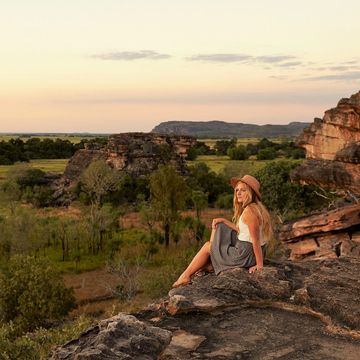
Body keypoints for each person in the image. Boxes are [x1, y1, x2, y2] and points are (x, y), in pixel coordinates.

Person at [172, 174, 273, 288]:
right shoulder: (255, 208)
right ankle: (212, 259)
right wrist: (224, 221)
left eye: (243, 190)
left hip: (245, 254)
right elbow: (244, 232)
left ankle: (185, 275)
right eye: (237, 190)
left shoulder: (250, 211)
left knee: (207, 246)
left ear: (250, 193)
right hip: (249, 252)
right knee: (220, 224)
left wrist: (259, 265)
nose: (238, 193)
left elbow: (255, 240)